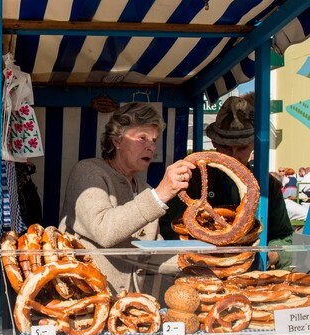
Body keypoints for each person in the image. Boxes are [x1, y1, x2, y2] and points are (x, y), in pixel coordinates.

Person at [59, 102, 195, 295]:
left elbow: (152, 253)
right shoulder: (88, 172)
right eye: (142, 138)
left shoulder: (145, 190)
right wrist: (160, 195)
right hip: (86, 301)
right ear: (117, 140)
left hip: (131, 308)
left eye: (154, 140)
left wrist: (200, 259)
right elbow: (104, 231)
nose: (151, 146)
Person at [160, 93, 294, 269]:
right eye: (226, 147)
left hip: (250, 275)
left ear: (253, 144)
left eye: (242, 148)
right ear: (214, 142)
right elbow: (169, 229)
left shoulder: (269, 186)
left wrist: (270, 253)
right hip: (200, 271)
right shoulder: (191, 181)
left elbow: (284, 237)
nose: (233, 155)